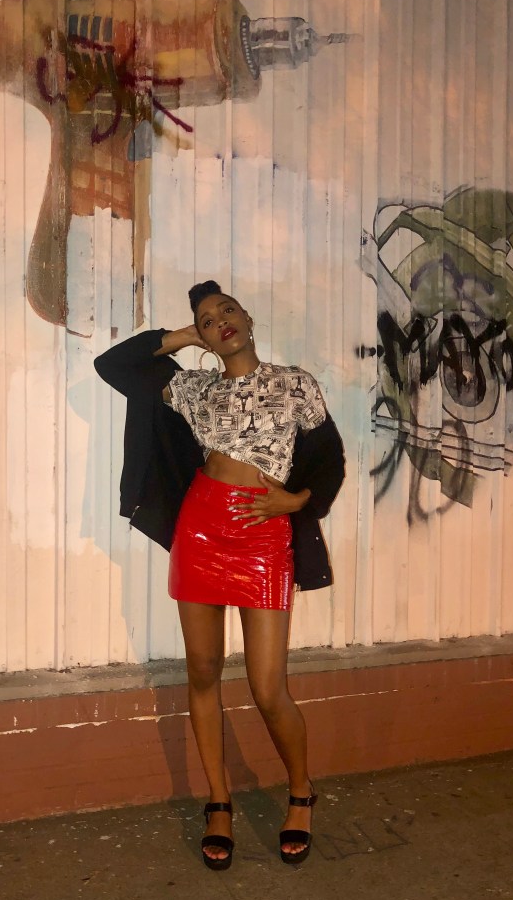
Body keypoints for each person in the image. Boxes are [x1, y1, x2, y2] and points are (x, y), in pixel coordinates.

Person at [94, 281, 344, 870]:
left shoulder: (295, 383)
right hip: (202, 531)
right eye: (207, 320)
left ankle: (301, 791)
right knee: (203, 672)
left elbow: (330, 457)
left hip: (263, 538)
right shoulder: (194, 387)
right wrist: (183, 337)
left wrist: (298, 500)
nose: (219, 321)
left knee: (267, 688)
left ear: (248, 317)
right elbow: (114, 365)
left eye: (226, 310)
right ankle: (218, 801)